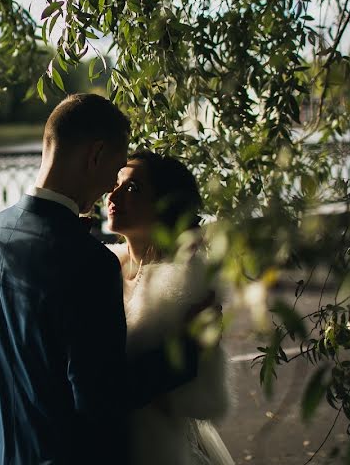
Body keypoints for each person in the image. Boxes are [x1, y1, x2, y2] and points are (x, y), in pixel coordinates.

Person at [0, 94, 204, 465]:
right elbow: (100, 399)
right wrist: (187, 350)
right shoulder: (90, 263)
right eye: (116, 166)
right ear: (95, 155)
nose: (113, 184)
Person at [106, 150, 234, 465]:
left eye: (133, 188)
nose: (114, 195)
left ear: (165, 206)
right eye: (117, 183)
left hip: (158, 448)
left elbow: (204, 396)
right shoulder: (105, 265)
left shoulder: (188, 282)